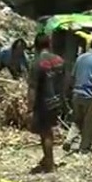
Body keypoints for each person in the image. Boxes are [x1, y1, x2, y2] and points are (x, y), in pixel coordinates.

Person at [27, 33, 66, 174]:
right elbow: (65, 82)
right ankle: (47, 158)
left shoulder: (37, 63)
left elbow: (33, 88)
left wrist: (29, 109)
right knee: (49, 131)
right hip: (57, 101)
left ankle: (49, 164)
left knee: (45, 133)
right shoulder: (59, 60)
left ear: (36, 46)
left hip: (43, 102)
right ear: (49, 44)